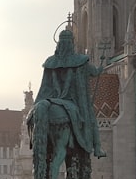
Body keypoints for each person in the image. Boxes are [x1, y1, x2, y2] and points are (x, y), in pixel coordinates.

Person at [33, 28, 105, 158]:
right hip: (73, 100)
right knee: (90, 117)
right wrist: (101, 67)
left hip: (51, 98)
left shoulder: (50, 62)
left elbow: (45, 85)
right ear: (72, 43)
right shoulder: (80, 60)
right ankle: (98, 148)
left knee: (37, 113)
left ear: (59, 43)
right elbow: (94, 72)